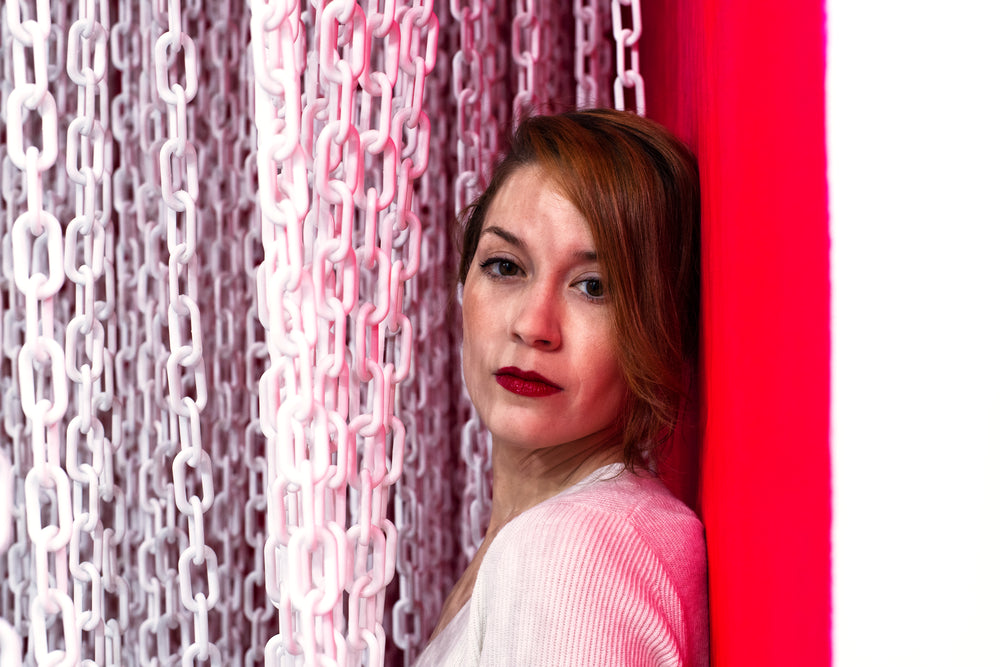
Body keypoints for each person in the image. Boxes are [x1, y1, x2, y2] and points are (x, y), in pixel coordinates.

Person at [416, 109, 708, 666]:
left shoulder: (567, 553)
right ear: (463, 285)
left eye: (593, 287)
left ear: (659, 325)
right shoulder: (551, 537)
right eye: (505, 267)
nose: (533, 325)